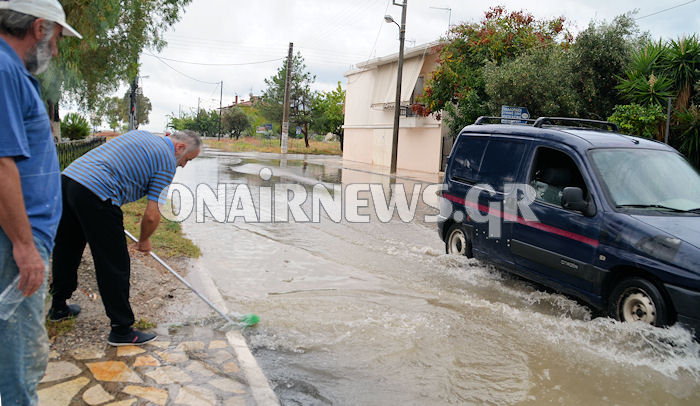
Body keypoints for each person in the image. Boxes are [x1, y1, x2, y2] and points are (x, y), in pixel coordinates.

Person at [49, 130, 201, 346]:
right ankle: (121, 330)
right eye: (187, 160)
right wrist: (144, 239)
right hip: (97, 191)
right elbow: (152, 213)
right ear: (180, 148)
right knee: (114, 262)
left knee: (67, 248)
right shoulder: (167, 160)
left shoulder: (143, 136)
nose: (184, 165)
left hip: (68, 181)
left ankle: (58, 306)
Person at [0, 1, 82, 404]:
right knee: (21, 359)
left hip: (20, 240)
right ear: (40, 28)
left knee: (18, 352)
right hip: (14, 244)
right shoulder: (3, 70)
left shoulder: (11, 73)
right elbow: (0, 166)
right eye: (58, 39)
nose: (55, 51)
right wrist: (24, 246)